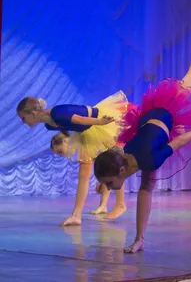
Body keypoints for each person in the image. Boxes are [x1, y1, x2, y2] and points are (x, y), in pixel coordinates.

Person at [94, 32, 191, 253]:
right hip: (144, 123)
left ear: (122, 170)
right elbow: (113, 158)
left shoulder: (150, 159)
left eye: (107, 183)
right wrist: (101, 179)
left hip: (166, 110)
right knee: (146, 185)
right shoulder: (119, 154)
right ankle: (139, 239)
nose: (106, 188)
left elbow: (179, 142)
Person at [17, 91, 129, 226]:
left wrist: (100, 122)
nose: (22, 122)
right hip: (86, 132)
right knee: (85, 173)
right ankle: (77, 215)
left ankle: (120, 204)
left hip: (96, 124)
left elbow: (80, 120)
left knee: (113, 163)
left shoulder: (57, 113)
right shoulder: (49, 124)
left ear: (33, 114)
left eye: (23, 118)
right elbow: (71, 126)